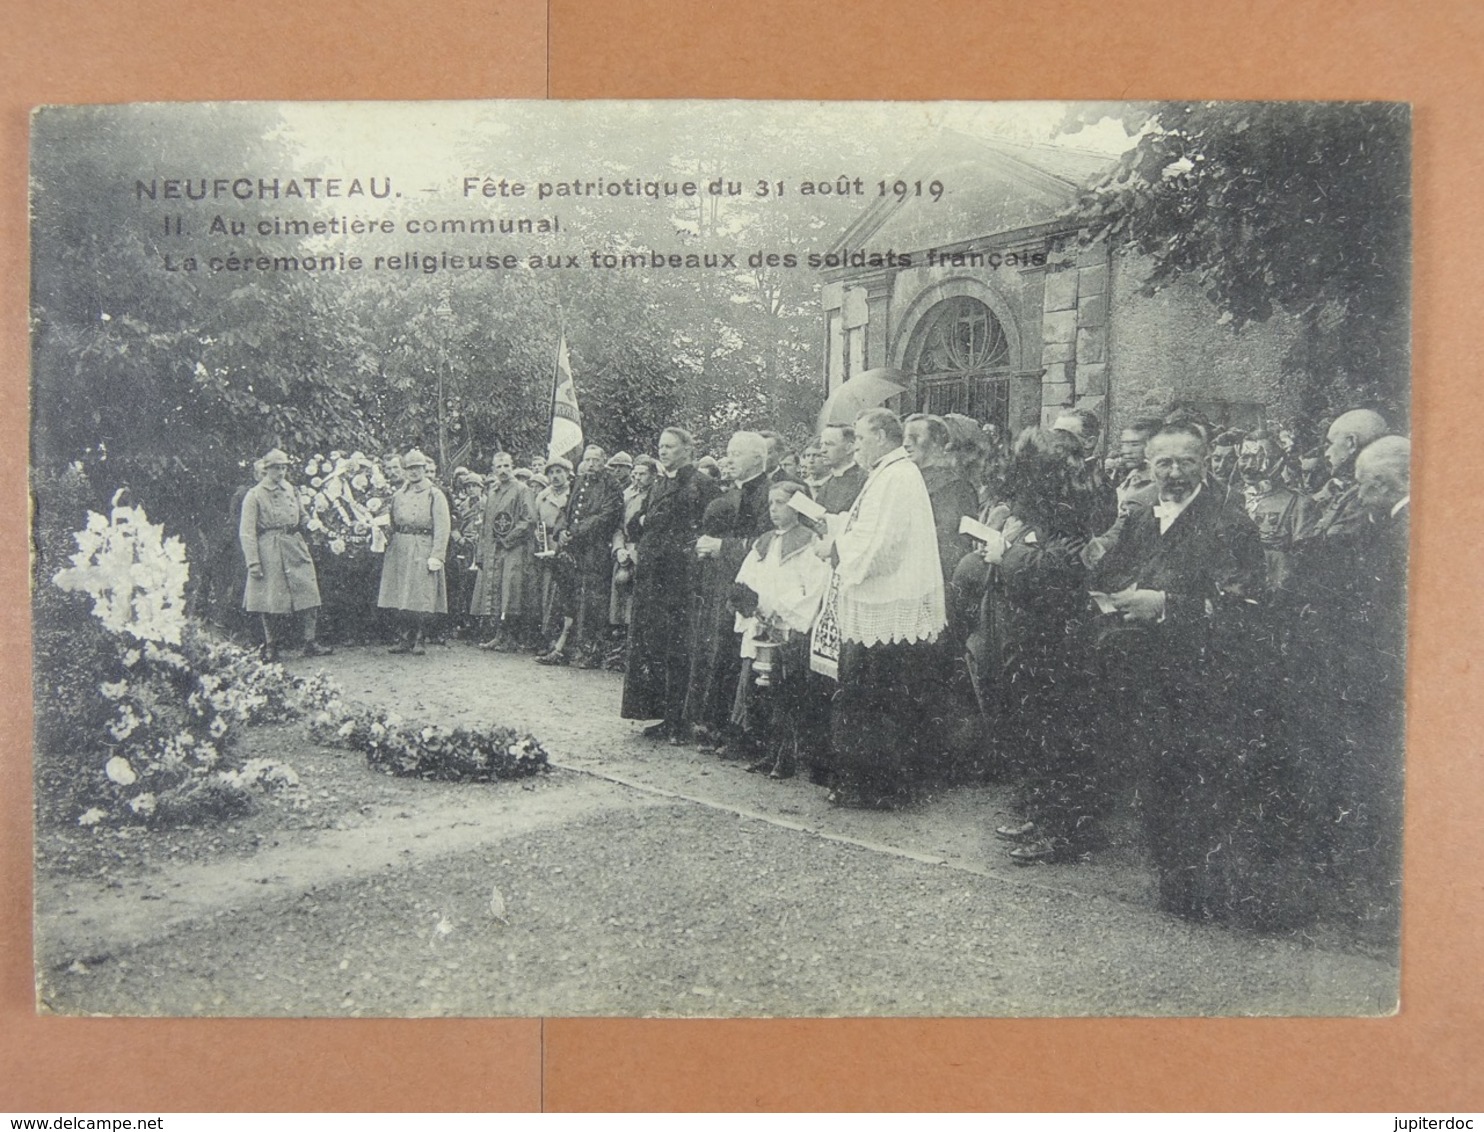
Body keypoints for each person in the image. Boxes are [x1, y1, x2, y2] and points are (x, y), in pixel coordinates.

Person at [1087, 423, 1266, 919]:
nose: (1173, 472)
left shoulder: (1229, 524)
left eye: (1184, 461)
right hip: (1144, 673)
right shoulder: (1143, 514)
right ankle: (1175, 888)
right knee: (1156, 778)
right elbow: (1109, 568)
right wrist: (1116, 593)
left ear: (1204, 463)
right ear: (1147, 466)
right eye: (1162, 462)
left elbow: (1245, 607)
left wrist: (1165, 605)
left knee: (1198, 783)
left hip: (1203, 678)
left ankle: (1201, 896)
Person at [813, 408, 946, 808]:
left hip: (885, 602)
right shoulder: (888, 474)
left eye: (862, 438)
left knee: (871, 700)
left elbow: (883, 545)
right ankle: (868, 784)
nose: (857, 447)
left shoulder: (897, 476)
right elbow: (869, 531)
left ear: (884, 437)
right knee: (867, 698)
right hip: (877, 600)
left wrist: (835, 549)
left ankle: (875, 787)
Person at [975, 428, 1096, 863]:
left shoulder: (1072, 509)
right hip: (1033, 633)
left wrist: (1005, 555)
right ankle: (1043, 816)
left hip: (1057, 637)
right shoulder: (1049, 507)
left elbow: (1061, 566)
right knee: (1036, 728)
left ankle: (1060, 831)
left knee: (1056, 732)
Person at [621, 427, 721, 740]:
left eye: (670, 447)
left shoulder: (702, 484)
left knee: (681, 649)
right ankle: (665, 716)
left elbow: (710, 527)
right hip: (653, 577)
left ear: (688, 449)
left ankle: (682, 721)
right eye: (661, 446)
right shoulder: (659, 482)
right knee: (657, 647)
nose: (663, 452)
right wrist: (640, 523)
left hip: (681, 579)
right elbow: (636, 524)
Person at [731, 481, 832, 778]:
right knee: (759, 691)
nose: (773, 509)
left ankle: (787, 755)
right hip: (762, 624)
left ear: (798, 506)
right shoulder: (762, 543)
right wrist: (751, 608)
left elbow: (814, 588)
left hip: (789, 626)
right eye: (771, 502)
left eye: (781, 503)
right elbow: (746, 581)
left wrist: (779, 610)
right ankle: (766, 750)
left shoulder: (809, 543)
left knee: (787, 693)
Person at [682, 431, 774, 751]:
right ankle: (715, 723)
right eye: (729, 453)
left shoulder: (768, 493)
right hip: (721, 582)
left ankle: (741, 732)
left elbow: (767, 543)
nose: (729, 459)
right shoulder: (731, 492)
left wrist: (723, 547)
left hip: (750, 585)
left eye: (736, 454)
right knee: (717, 652)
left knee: (740, 655)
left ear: (757, 459)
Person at [239, 448, 332, 660]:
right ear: (266, 469)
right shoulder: (254, 495)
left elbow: (301, 513)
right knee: (271, 598)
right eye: (275, 468)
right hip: (269, 548)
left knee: (309, 592)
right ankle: (271, 645)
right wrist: (253, 561)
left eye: (283, 468)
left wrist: (311, 522)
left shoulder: (291, 489)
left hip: (294, 544)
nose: (280, 472)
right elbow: (247, 531)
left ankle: (310, 642)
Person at [539, 444, 624, 667]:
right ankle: (562, 648)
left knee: (592, 603)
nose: (591, 465)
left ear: (604, 461)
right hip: (573, 550)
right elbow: (566, 511)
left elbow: (606, 516)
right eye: (587, 460)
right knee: (568, 599)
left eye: (596, 460)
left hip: (594, 551)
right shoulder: (579, 481)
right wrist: (561, 531)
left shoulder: (611, 485)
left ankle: (589, 651)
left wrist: (575, 532)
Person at [377, 448, 452, 656]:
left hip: (423, 545)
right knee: (401, 595)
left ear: (424, 468)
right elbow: (391, 521)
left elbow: (443, 526)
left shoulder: (434, 494)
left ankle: (420, 637)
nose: (413, 472)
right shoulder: (399, 495)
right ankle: (404, 637)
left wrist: (437, 555)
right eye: (409, 468)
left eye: (417, 468)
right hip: (400, 547)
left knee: (421, 595)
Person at [469, 452, 535, 651]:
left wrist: (508, 539)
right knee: (496, 591)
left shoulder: (522, 490)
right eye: (499, 467)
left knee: (511, 591)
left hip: (513, 548)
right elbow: (487, 525)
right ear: (493, 470)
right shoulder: (493, 491)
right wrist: (481, 552)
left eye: (507, 465)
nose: (503, 470)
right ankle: (499, 635)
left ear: (513, 466)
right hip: (493, 549)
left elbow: (529, 520)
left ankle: (512, 638)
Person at [1236, 430, 1313, 596]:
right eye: (1245, 457)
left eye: (1260, 458)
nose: (1249, 466)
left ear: (1279, 462)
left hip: (1275, 600)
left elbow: (1305, 566)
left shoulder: (1299, 504)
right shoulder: (1230, 500)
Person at [1051, 407, 1118, 533]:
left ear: (1089, 442)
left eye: (1064, 436)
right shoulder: (1055, 474)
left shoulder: (1099, 485)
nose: (1055, 442)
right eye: (1054, 435)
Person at [530, 456, 573, 648]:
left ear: (567, 473)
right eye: (552, 473)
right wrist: (539, 540)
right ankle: (547, 637)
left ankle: (564, 639)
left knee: (564, 594)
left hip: (566, 546)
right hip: (546, 548)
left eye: (559, 472)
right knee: (546, 592)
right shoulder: (543, 496)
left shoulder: (573, 494)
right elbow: (536, 521)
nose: (555, 476)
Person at [813, 424, 867, 514]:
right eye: (821, 445)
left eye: (829, 444)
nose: (822, 450)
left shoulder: (863, 480)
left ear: (849, 448)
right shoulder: (827, 484)